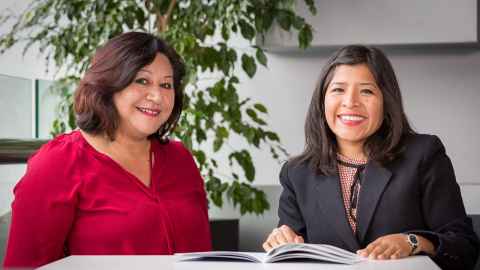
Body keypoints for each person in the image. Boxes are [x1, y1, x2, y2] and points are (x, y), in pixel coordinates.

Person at [3, 32, 211, 268]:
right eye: (142, 81)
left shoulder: (179, 159)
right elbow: (24, 266)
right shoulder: (58, 162)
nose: (157, 96)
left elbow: (203, 255)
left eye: (166, 84)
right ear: (109, 84)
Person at [262, 45, 479, 270]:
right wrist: (282, 242)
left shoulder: (423, 155)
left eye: (366, 91)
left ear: (386, 101)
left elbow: (464, 249)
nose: (350, 102)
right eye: (338, 90)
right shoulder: (297, 172)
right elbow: (290, 258)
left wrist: (412, 242)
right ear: (322, 101)